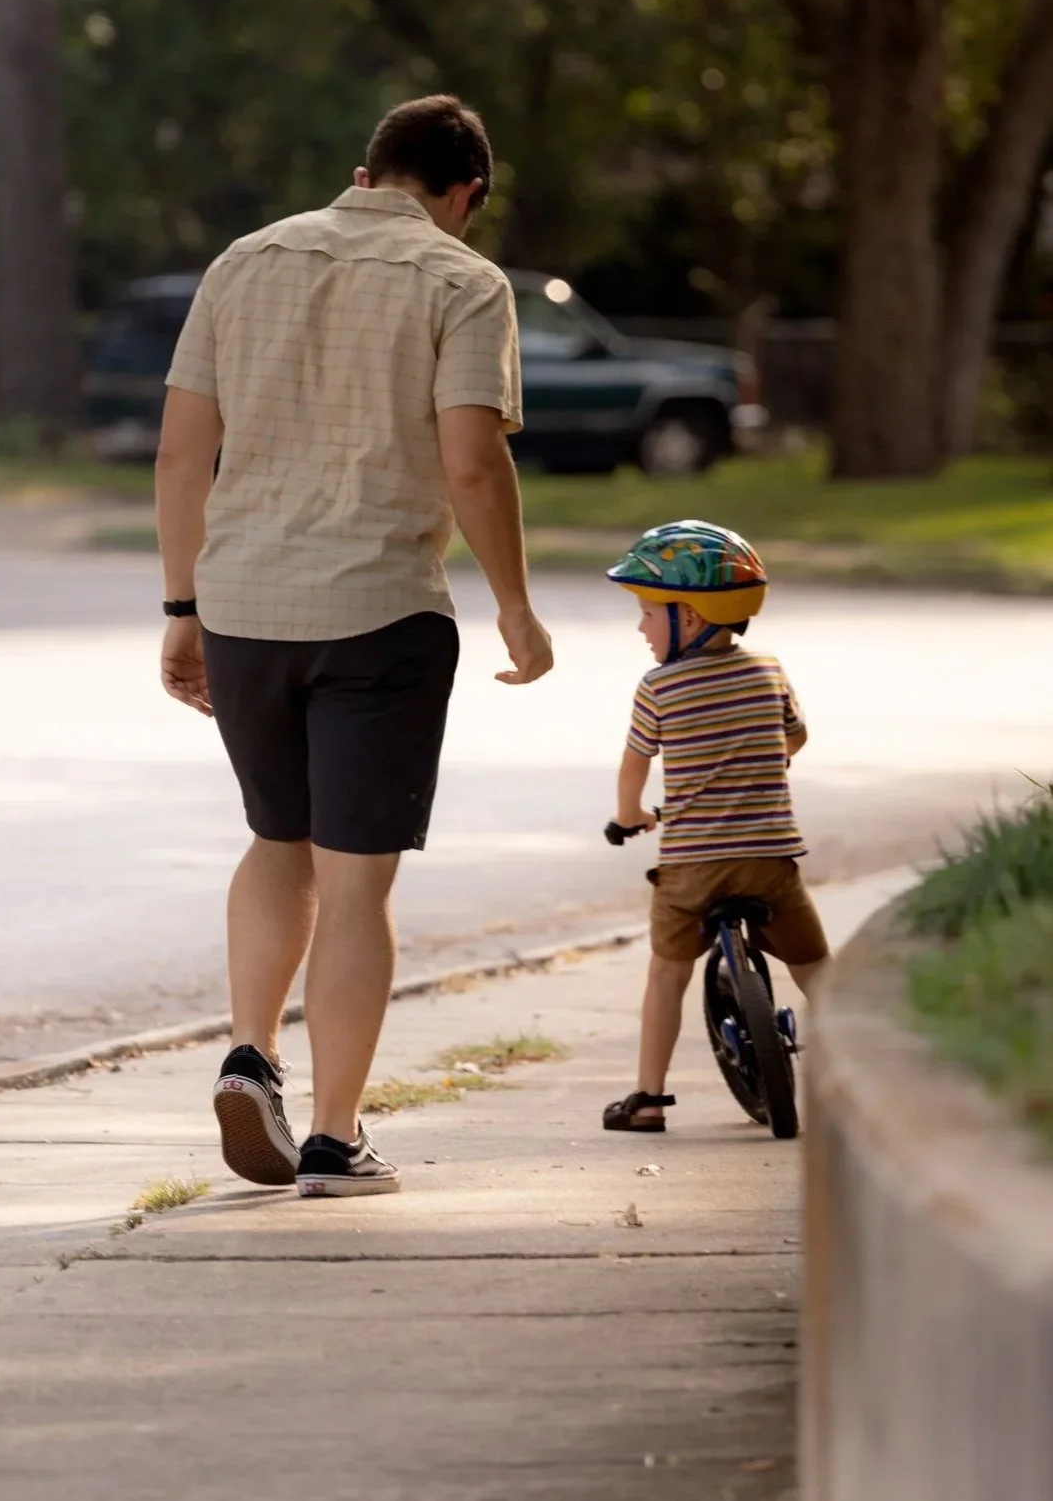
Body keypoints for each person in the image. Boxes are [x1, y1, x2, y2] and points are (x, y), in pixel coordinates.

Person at [154, 94, 554, 1196]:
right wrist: (515, 604)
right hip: (380, 611)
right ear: (465, 191)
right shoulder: (462, 282)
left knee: (276, 839)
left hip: (243, 607)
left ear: (365, 169)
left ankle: (249, 1050)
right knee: (356, 879)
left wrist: (182, 610)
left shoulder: (246, 259)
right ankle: (333, 1136)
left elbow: (185, 452)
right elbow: (471, 462)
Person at [599, 520, 829, 1132]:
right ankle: (871, 1071)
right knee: (814, 969)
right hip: (770, 862)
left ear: (691, 619)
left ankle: (648, 1099)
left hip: (691, 870)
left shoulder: (658, 688)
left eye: (649, 613)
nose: (640, 627)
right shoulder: (768, 672)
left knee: (666, 973)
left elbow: (633, 767)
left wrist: (629, 818)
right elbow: (794, 739)